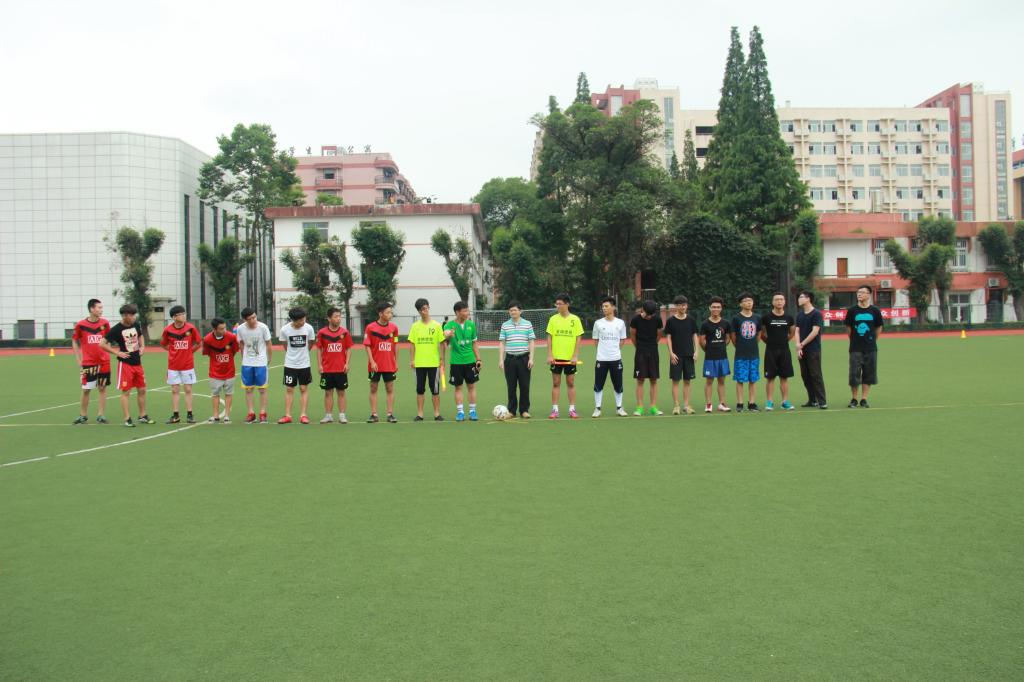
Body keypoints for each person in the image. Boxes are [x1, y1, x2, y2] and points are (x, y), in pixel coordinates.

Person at [100, 304, 152, 427]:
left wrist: (142, 347)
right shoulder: (116, 329)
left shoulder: (136, 324)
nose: (134, 317)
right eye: (132, 315)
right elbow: (102, 343)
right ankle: (127, 418)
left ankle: (142, 416)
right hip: (125, 365)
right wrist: (117, 353)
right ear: (125, 316)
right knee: (126, 392)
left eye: (134, 315)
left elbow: (140, 335)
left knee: (142, 390)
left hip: (137, 363)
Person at [160, 305, 202, 424]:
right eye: (181, 314)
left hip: (187, 365)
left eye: (184, 313)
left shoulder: (191, 328)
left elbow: (198, 342)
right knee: (175, 389)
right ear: (174, 317)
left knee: (188, 389)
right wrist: (173, 351)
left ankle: (190, 415)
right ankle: (175, 415)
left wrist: (190, 351)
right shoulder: (168, 330)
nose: (184, 316)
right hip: (173, 365)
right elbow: (163, 344)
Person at [71, 298, 111, 424]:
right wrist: (79, 359)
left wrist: (107, 352)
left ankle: (101, 415)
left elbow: (108, 339)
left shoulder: (105, 323)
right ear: (92, 309)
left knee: (102, 388)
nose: (101, 310)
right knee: (86, 389)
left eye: (101, 307)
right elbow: (74, 340)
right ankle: (83, 415)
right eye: (99, 307)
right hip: (88, 363)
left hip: (104, 362)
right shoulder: (81, 325)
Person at [845, 285, 884, 408]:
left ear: (868, 294)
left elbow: (879, 327)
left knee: (869, 373)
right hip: (855, 348)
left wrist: (872, 339)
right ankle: (854, 398)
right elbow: (848, 328)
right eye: (858, 292)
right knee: (854, 374)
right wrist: (854, 339)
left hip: (871, 348)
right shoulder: (852, 311)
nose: (859, 294)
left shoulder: (875, 311)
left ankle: (864, 399)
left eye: (862, 292)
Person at [545, 293, 583, 419]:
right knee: (556, 383)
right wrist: (550, 354)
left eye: (560, 304)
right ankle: (555, 410)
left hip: (570, 358)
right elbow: (549, 337)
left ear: (567, 304)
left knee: (570, 382)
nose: (558, 306)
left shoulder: (575, 319)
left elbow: (578, 338)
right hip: (556, 357)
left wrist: (575, 355)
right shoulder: (553, 319)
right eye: (556, 304)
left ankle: (572, 409)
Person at [408, 298, 445, 422]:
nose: (424, 311)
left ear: (429, 307)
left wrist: (442, 359)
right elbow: (412, 344)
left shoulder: (437, 326)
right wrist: (412, 360)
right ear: (419, 311)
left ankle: (437, 413)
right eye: (422, 310)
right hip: (419, 363)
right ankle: (420, 414)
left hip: (434, 363)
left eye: (426, 308)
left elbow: (442, 343)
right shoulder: (415, 326)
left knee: (435, 390)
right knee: (420, 389)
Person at [277, 307, 316, 424]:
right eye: (300, 320)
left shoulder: (309, 328)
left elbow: (311, 342)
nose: (303, 322)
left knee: (303, 388)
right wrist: (292, 355)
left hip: (304, 364)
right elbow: (285, 345)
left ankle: (303, 415)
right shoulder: (285, 330)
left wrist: (304, 353)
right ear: (293, 320)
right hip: (290, 364)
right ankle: (288, 415)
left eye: (304, 319)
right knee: (289, 389)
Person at [444, 301, 482, 421]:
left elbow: (474, 343)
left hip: (470, 361)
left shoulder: (471, 325)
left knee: (471, 386)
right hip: (456, 362)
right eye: (464, 311)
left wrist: (478, 359)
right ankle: (460, 412)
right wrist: (449, 334)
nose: (467, 313)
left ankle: (472, 411)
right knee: (458, 387)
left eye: (467, 310)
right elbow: (445, 334)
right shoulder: (449, 325)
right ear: (457, 312)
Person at [591, 296, 628, 418]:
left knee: (618, 385)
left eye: (606, 306)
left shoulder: (620, 323)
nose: (604, 308)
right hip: (601, 359)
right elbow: (595, 341)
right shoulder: (598, 323)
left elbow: (622, 339)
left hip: (616, 359)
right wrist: (603, 352)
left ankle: (619, 408)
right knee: (598, 385)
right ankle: (597, 408)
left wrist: (614, 351)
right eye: (603, 306)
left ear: (613, 307)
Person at [498, 300, 535, 419]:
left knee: (524, 386)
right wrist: (501, 360)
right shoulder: (505, 325)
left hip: (524, 359)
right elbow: (502, 343)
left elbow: (531, 341)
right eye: (511, 310)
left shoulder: (527, 324)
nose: (512, 312)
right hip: (510, 359)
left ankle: (524, 410)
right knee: (511, 386)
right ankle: (511, 411)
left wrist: (531, 358)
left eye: (515, 310)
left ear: (520, 311)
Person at [316, 306, 354, 424]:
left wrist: (347, 363)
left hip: (340, 368)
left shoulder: (344, 332)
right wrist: (320, 365)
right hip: (327, 369)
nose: (339, 319)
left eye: (339, 316)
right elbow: (319, 349)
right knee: (328, 392)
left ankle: (342, 415)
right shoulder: (322, 333)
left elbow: (349, 348)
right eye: (336, 316)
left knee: (341, 392)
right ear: (329, 318)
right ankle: (328, 415)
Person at [236, 306, 273, 424]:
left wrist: (269, 357)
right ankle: (251, 413)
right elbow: (241, 343)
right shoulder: (240, 329)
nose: (253, 320)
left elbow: (268, 343)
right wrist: (243, 357)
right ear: (245, 320)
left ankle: (263, 413)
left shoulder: (263, 327)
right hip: (247, 363)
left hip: (261, 362)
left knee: (262, 389)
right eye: (250, 318)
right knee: (248, 389)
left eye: (254, 317)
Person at [364, 301, 400, 423]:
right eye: (388, 312)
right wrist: (372, 361)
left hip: (389, 364)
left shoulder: (394, 328)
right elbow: (367, 346)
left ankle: (390, 414)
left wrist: (396, 361)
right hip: (375, 365)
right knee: (373, 388)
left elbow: (396, 344)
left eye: (391, 312)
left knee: (390, 389)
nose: (390, 314)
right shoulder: (370, 328)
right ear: (380, 314)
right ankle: (374, 414)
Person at [760, 292, 796, 411]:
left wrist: (784, 341)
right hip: (770, 351)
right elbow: (762, 334)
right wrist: (770, 342)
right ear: (772, 302)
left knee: (784, 377)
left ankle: (785, 401)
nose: (779, 301)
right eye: (776, 299)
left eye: (781, 299)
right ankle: (769, 402)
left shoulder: (789, 318)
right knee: (770, 377)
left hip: (785, 350)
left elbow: (792, 333)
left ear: (784, 302)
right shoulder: (766, 318)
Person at [663, 295, 699, 415]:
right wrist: (671, 353)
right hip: (676, 356)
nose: (682, 307)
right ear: (676, 306)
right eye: (680, 305)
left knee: (688, 381)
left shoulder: (691, 320)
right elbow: (668, 337)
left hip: (689, 355)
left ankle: (686, 405)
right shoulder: (670, 321)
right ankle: (676, 406)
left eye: (684, 305)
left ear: (686, 305)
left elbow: (695, 335)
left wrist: (696, 351)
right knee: (675, 381)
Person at [629, 300, 664, 416]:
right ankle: (639, 407)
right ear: (642, 309)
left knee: (654, 380)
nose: (649, 317)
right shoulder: (635, 320)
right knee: (640, 380)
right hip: (640, 352)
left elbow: (659, 334)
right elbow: (632, 334)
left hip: (653, 351)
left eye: (651, 314)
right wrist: (639, 347)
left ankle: (653, 407)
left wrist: (652, 345)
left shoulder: (657, 319)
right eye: (647, 314)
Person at [202, 317, 239, 423]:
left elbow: (234, 350)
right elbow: (207, 352)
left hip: (229, 371)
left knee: (229, 393)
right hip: (215, 372)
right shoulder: (207, 339)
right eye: (221, 329)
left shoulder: (231, 337)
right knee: (215, 394)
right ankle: (216, 415)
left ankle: (227, 416)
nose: (224, 330)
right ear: (214, 329)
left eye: (225, 328)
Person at [795, 290, 827, 409]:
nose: (799, 299)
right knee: (805, 375)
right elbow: (797, 331)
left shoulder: (816, 314)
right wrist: (798, 346)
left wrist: (802, 344)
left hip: (813, 349)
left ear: (808, 299)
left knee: (815, 375)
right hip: (802, 349)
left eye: (801, 297)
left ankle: (822, 401)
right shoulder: (800, 315)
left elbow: (815, 331)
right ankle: (812, 400)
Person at [730, 292, 761, 413]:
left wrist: (753, 344)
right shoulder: (736, 318)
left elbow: (759, 333)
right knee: (740, 379)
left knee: (753, 379)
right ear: (740, 304)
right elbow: (733, 336)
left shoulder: (757, 317)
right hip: (741, 354)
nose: (749, 303)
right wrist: (739, 346)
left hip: (754, 353)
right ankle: (740, 403)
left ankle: (752, 403)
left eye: (750, 301)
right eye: (746, 301)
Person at [700, 297, 732, 413]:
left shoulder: (726, 323)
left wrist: (722, 346)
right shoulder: (705, 324)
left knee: (721, 381)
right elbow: (702, 340)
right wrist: (708, 350)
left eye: (718, 307)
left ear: (721, 308)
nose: (716, 309)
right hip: (710, 357)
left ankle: (722, 404)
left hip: (722, 357)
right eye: (713, 307)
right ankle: (708, 404)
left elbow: (727, 338)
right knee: (709, 381)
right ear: (710, 308)